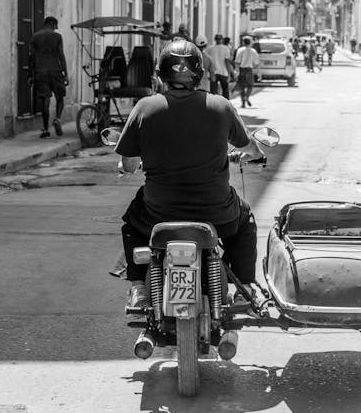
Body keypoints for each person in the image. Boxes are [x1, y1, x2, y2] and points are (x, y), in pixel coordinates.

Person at [114, 40, 266, 309]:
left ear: (160, 74)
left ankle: (138, 287)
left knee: (131, 224)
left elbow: (128, 164)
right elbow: (251, 149)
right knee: (245, 223)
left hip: (157, 213)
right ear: (200, 73)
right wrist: (251, 155)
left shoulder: (144, 108)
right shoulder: (220, 106)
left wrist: (128, 167)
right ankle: (245, 287)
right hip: (216, 211)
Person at [28, 16, 68, 138]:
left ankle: (45, 129)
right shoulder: (57, 37)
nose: (56, 28)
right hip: (55, 70)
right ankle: (57, 119)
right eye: (56, 26)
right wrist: (65, 73)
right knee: (60, 97)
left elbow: (31, 57)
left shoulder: (35, 37)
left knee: (45, 100)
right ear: (53, 24)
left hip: (40, 71)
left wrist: (30, 75)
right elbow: (61, 55)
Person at [234, 36, 260, 108]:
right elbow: (257, 63)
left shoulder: (240, 50)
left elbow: (237, 61)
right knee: (250, 85)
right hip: (249, 69)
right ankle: (247, 97)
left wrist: (236, 71)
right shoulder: (253, 51)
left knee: (241, 86)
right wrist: (258, 72)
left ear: (243, 42)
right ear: (250, 42)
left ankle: (243, 102)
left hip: (242, 69)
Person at [209, 34, 234, 99]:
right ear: (222, 39)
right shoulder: (225, 48)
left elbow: (208, 61)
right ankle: (225, 105)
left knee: (213, 92)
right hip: (223, 72)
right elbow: (227, 62)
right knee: (225, 91)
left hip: (213, 72)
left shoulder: (210, 48)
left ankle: (213, 105)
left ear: (215, 39)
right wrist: (229, 74)